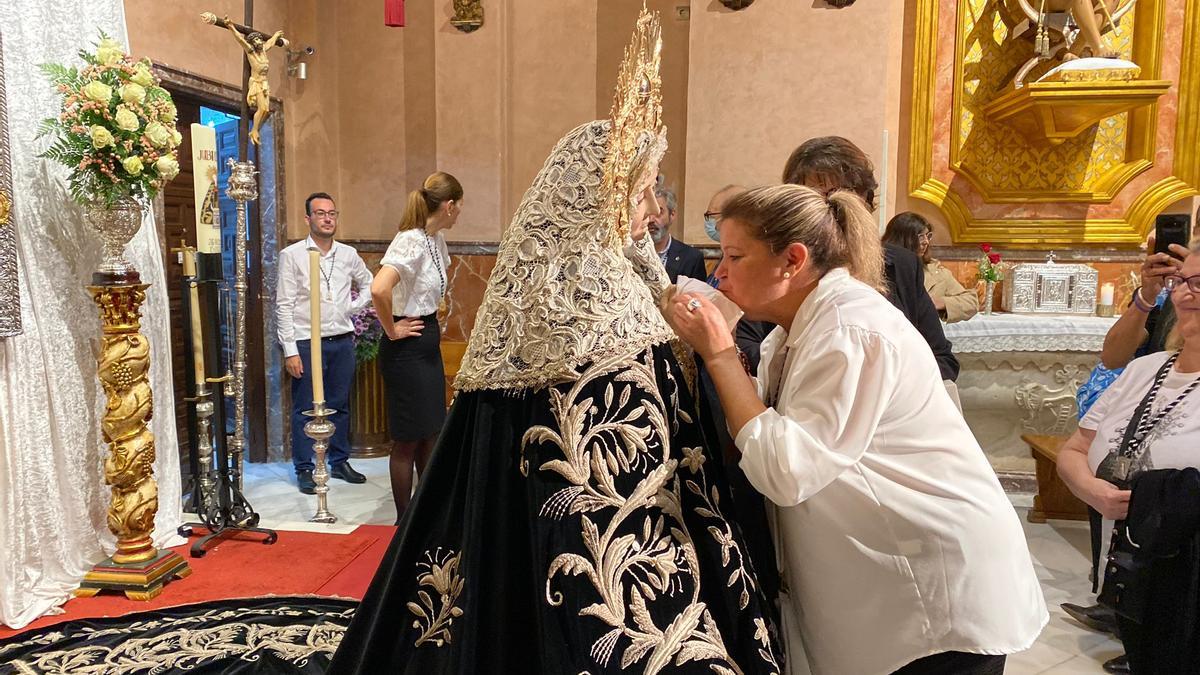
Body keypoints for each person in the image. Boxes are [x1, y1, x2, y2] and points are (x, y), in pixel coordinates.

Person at [331, 11, 782, 673]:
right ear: (594, 197)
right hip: (607, 555)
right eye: (639, 191)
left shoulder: (600, 287)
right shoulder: (583, 306)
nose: (649, 209)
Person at [667, 184, 1047, 675]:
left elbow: (787, 469)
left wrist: (719, 354)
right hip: (894, 574)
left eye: (735, 256)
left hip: (938, 585)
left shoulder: (849, 329)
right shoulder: (798, 325)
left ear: (792, 260)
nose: (719, 272)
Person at [1056, 243, 1200, 674]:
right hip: (1131, 576)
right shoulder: (1145, 369)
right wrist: (1091, 490)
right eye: (1183, 282)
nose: (1187, 293)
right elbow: (1074, 450)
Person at [781, 136, 960, 382]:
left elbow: (942, 359)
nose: (836, 211)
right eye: (819, 199)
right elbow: (752, 348)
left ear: (867, 201)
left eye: (843, 197)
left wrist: (874, 387)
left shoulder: (902, 265)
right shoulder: (780, 266)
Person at [371, 171, 462, 523]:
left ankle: (424, 516)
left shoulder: (434, 239)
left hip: (425, 343)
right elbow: (380, 289)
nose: (460, 213)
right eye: (460, 206)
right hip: (405, 351)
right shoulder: (409, 240)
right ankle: (403, 520)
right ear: (449, 205)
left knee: (429, 434)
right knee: (408, 439)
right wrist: (391, 329)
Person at [276, 192, 374, 494]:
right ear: (308, 219)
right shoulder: (292, 255)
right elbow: (284, 306)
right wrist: (290, 350)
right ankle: (305, 467)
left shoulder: (348, 254)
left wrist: (353, 307)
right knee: (306, 408)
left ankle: (340, 460)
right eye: (320, 213)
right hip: (307, 342)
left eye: (332, 213)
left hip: (341, 340)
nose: (328, 218)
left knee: (340, 404)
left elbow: (370, 282)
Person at [883, 211, 979, 323]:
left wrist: (941, 303)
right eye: (920, 237)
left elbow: (971, 302)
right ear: (903, 238)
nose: (926, 242)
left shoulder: (937, 273)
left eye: (928, 236)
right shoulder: (882, 270)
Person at [649, 181, 707, 283]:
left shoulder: (691, 258)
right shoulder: (631, 255)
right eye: (648, 212)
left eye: (658, 212)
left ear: (672, 215)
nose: (651, 219)